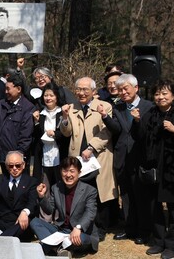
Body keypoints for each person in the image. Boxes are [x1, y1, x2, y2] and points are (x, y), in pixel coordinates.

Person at [133, 80, 174, 259]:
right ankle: (159, 241)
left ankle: (172, 245)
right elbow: (140, 138)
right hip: (153, 169)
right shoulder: (149, 114)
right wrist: (137, 121)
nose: (160, 97)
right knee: (155, 207)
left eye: (164, 93)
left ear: (173, 95)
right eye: (157, 94)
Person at [60, 77, 117, 241]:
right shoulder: (71, 108)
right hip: (78, 159)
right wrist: (64, 118)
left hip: (98, 156)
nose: (81, 93)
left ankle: (102, 228)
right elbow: (66, 132)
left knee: (101, 192)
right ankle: (84, 225)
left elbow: (107, 132)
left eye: (85, 89)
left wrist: (92, 147)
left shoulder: (105, 106)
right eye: (78, 89)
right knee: (82, 192)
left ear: (93, 91)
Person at [99, 74, 153, 244]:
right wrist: (105, 117)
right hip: (122, 157)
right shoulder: (119, 107)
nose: (122, 92)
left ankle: (144, 231)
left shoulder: (149, 106)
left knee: (142, 197)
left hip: (141, 157)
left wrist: (138, 120)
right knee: (127, 195)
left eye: (125, 89)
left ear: (136, 88)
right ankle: (129, 228)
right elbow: (116, 129)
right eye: (120, 89)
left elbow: (149, 132)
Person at [30, 156, 99, 256]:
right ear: (60, 172)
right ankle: (60, 249)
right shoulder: (56, 188)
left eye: (72, 171)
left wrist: (78, 228)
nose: (68, 175)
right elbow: (49, 210)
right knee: (34, 222)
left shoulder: (90, 190)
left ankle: (51, 246)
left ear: (79, 173)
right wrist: (42, 196)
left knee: (80, 239)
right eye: (65, 171)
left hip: (81, 232)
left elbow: (90, 212)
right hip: (61, 230)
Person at [0, 151, 39, 239]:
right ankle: (1, 239)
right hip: (2, 221)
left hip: (19, 223)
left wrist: (25, 212)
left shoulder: (31, 182)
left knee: (24, 223)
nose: (15, 168)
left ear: (23, 165)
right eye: (11, 166)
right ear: (6, 167)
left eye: (18, 165)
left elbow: (32, 202)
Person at [0, 74, 34, 172]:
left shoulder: (27, 108)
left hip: (16, 160)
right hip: (1, 155)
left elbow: (26, 136)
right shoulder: (1, 104)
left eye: (8, 89)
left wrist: (17, 156)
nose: (5, 92)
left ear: (18, 89)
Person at [31, 83, 69, 187]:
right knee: (44, 187)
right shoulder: (41, 114)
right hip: (44, 156)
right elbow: (37, 136)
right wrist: (36, 122)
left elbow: (67, 133)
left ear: (57, 97)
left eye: (51, 95)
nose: (48, 98)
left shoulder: (63, 112)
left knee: (60, 186)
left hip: (59, 154)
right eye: (46, 95)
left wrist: (55, 134)